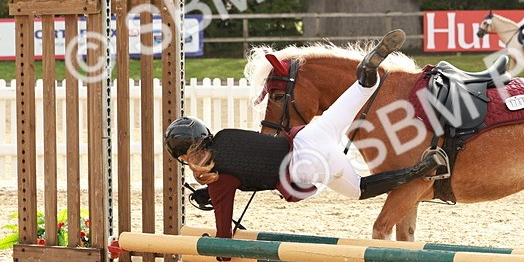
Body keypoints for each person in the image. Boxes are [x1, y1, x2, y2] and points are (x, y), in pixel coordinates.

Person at [164, 30, 447, 239]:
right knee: (360, 93)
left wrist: (217, 241)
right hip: (311, 135)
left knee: (360, 188)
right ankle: (367, 72)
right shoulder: (227, 135)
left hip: (310, 162)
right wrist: (214, 190)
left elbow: (226, 226)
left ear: (186, 157)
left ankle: (418, 170)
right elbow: (248, 163)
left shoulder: (220, 180)